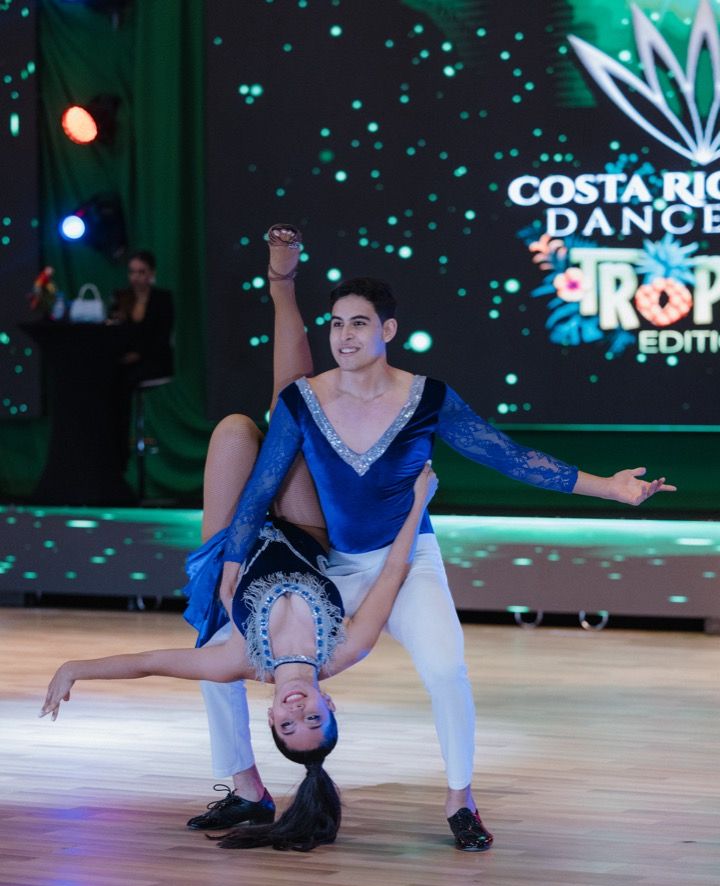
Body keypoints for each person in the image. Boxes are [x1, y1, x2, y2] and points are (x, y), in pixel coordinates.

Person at [211, 225, 676, 853]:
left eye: (359, 324)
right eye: (337, 324)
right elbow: (263, 483)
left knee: (446, 667)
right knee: (215, 652)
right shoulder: (303, 400)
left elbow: (508, 456)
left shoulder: (427, 397)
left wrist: (609, 489)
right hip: (331, 571)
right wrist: (232, 559)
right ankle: (245, 787)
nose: (345, 336)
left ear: (388, 330)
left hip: (411, 562)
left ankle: (461, 799)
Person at [40, 231, 438, 851]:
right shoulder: (347, 648)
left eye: (288, 723)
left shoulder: (237, 662)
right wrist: (418, 503)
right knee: (292, 407)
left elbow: (148, 663)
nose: (298, 710)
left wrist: (75, 669)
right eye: (313, 718)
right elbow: (393, 572)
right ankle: (283, 284)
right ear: (332, 707)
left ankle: (247, 788)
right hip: (303, 529)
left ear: (270, 717)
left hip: (230, 539)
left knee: (231, 430)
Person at [108, 249, 174, 474]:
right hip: (127, 362)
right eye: (132, 272)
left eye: (141, 272)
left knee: (123, 382)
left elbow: (161, 337)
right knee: (111, 378)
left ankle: (121, 448)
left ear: (151, 273)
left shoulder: (162, 299)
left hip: (154, 361)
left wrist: (138, 354)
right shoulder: (122, 298)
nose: (136, 277)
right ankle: (112, 445)